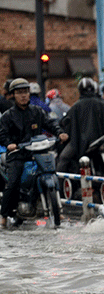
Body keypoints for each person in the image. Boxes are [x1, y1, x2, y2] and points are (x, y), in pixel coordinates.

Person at [0, 78, 68, 228]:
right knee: (13, 183)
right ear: (13, 95)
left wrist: (60, 133)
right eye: (19, 93)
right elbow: (2, 134)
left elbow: (51, 123)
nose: (23, 95)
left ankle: (57, 207)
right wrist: (9, 144)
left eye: (25, 92)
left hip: (38, 152)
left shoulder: (37, 112)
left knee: (51, 171)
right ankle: (4, 216)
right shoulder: (8, 115)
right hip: (18, 154)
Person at [57, 77, 104, 173]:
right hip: (103, 142)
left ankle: (61, 186)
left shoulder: (75, 106)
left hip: (79, 144)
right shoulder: (103, 104)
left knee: (63, 160)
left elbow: (65, 123)